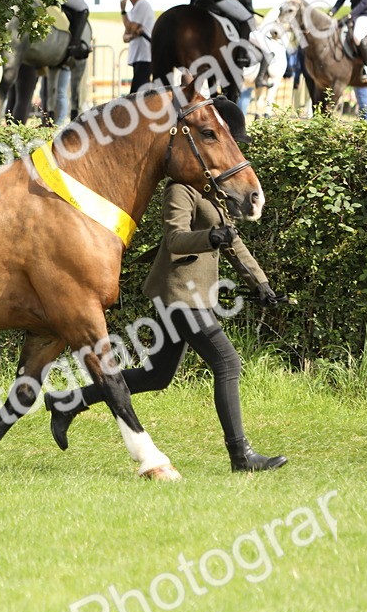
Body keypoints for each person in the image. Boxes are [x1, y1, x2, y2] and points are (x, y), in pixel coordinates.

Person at [43, 175, 288, 474]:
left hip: (196, 295)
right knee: (227, 363)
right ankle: (241, 455)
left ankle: (69, 400)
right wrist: (210, 237)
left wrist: (261, 283)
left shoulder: (215, 190)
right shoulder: (180, 189)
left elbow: (232, 241)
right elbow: (175, 239)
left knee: (156, 375)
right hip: (179, 293)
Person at [233, 0, 272, 88]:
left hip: (234, 28)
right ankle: (260, 79)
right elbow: (249, 12)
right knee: (268, 52)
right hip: (245, 29)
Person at [120, 0, 153, 92]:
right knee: (139, 92)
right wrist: (132, 34)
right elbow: (125, 36)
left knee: (137, 92)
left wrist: (123, 11)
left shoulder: (142, 5)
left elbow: (130, 27)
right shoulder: (133, 10)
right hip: (138, 56)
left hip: (145, 55)